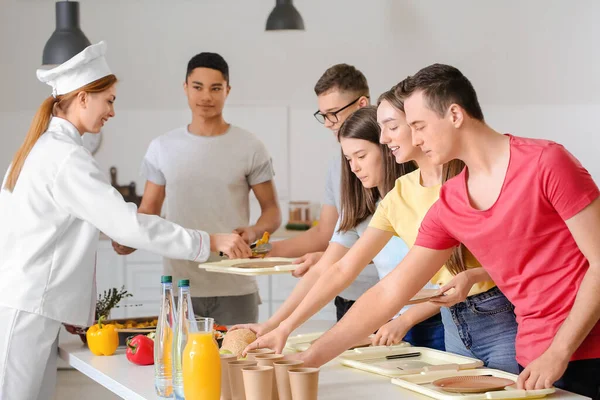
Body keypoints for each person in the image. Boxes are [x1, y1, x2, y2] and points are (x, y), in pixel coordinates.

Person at [288, 65, 600, 399]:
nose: (416, 138)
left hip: (586, 352)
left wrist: (559, 350)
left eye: (419, 126)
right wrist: (310, 357)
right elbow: (388, 292)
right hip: (532, 354)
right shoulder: (451, 201)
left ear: (454, 114)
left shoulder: (546, 162)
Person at [0, 42, 250, 400]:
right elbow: (129, 225)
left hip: (29, 306)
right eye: (110, 100)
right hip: (26, 310)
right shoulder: (64, 157)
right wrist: (208, 241)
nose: (112, 112)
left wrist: (67, 304)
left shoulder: (43, 148)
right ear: (84, 98)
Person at [243, 88, 518, 374]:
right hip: (453, 323)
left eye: (392, 127)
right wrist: (285, 330)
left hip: (494, 315)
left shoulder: (467, 180)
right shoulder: (398, 196)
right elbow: (343, 271)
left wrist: (473, 276)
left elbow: (517, 257)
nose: (385, 138)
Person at [233, 106, 445, 350]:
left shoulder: (422, 194)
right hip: (393, 321)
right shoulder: (361, 208)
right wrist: (276, 324)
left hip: (437, 320)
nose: (354, 167)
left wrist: (407, 319)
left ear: (388, 148)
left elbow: (448, 279)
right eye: (348, 159)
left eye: (361, 156)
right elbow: (330, 270)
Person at [112, 52, 281, 325]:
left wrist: (252, 232)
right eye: (198, 87)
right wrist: (129, 239)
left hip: (236, 286)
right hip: (180, 286)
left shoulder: (250, 147)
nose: (206, 97)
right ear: (185, 88)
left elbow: (272, 213)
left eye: (216, 88)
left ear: (228, 90)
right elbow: (149, 211)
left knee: (237, 365)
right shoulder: (162, 148)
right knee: (180, 366)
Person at [267, 64, 379, 320]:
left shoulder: (398, 168)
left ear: (362, 104)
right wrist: (265, 251)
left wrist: (332, 259)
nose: (328, 124)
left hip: (394, 301)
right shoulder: (338, 166)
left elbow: (403, 249)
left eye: (334, 114)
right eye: (323, 115)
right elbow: (326, 235)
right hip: (347, 296)